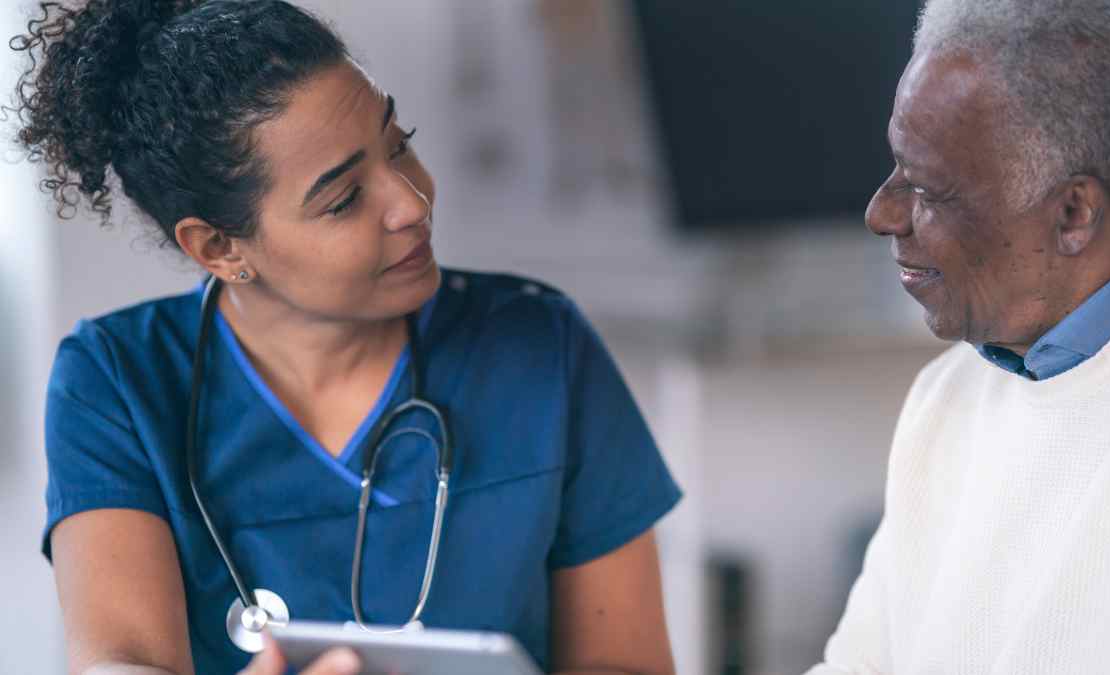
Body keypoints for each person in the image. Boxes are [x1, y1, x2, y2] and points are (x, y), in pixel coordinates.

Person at [10, 2, 681, 674]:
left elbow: (630, 662)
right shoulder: (117, 380)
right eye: (343, 199)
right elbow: (118, 661)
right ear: (218, 247)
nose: (411, 205)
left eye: (400, 145)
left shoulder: (543, 347)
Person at [808, 0, 1110, 673]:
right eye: (895, 168)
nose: (882, 214)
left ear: (1073, 211)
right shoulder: (948, 393)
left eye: (927, 186)